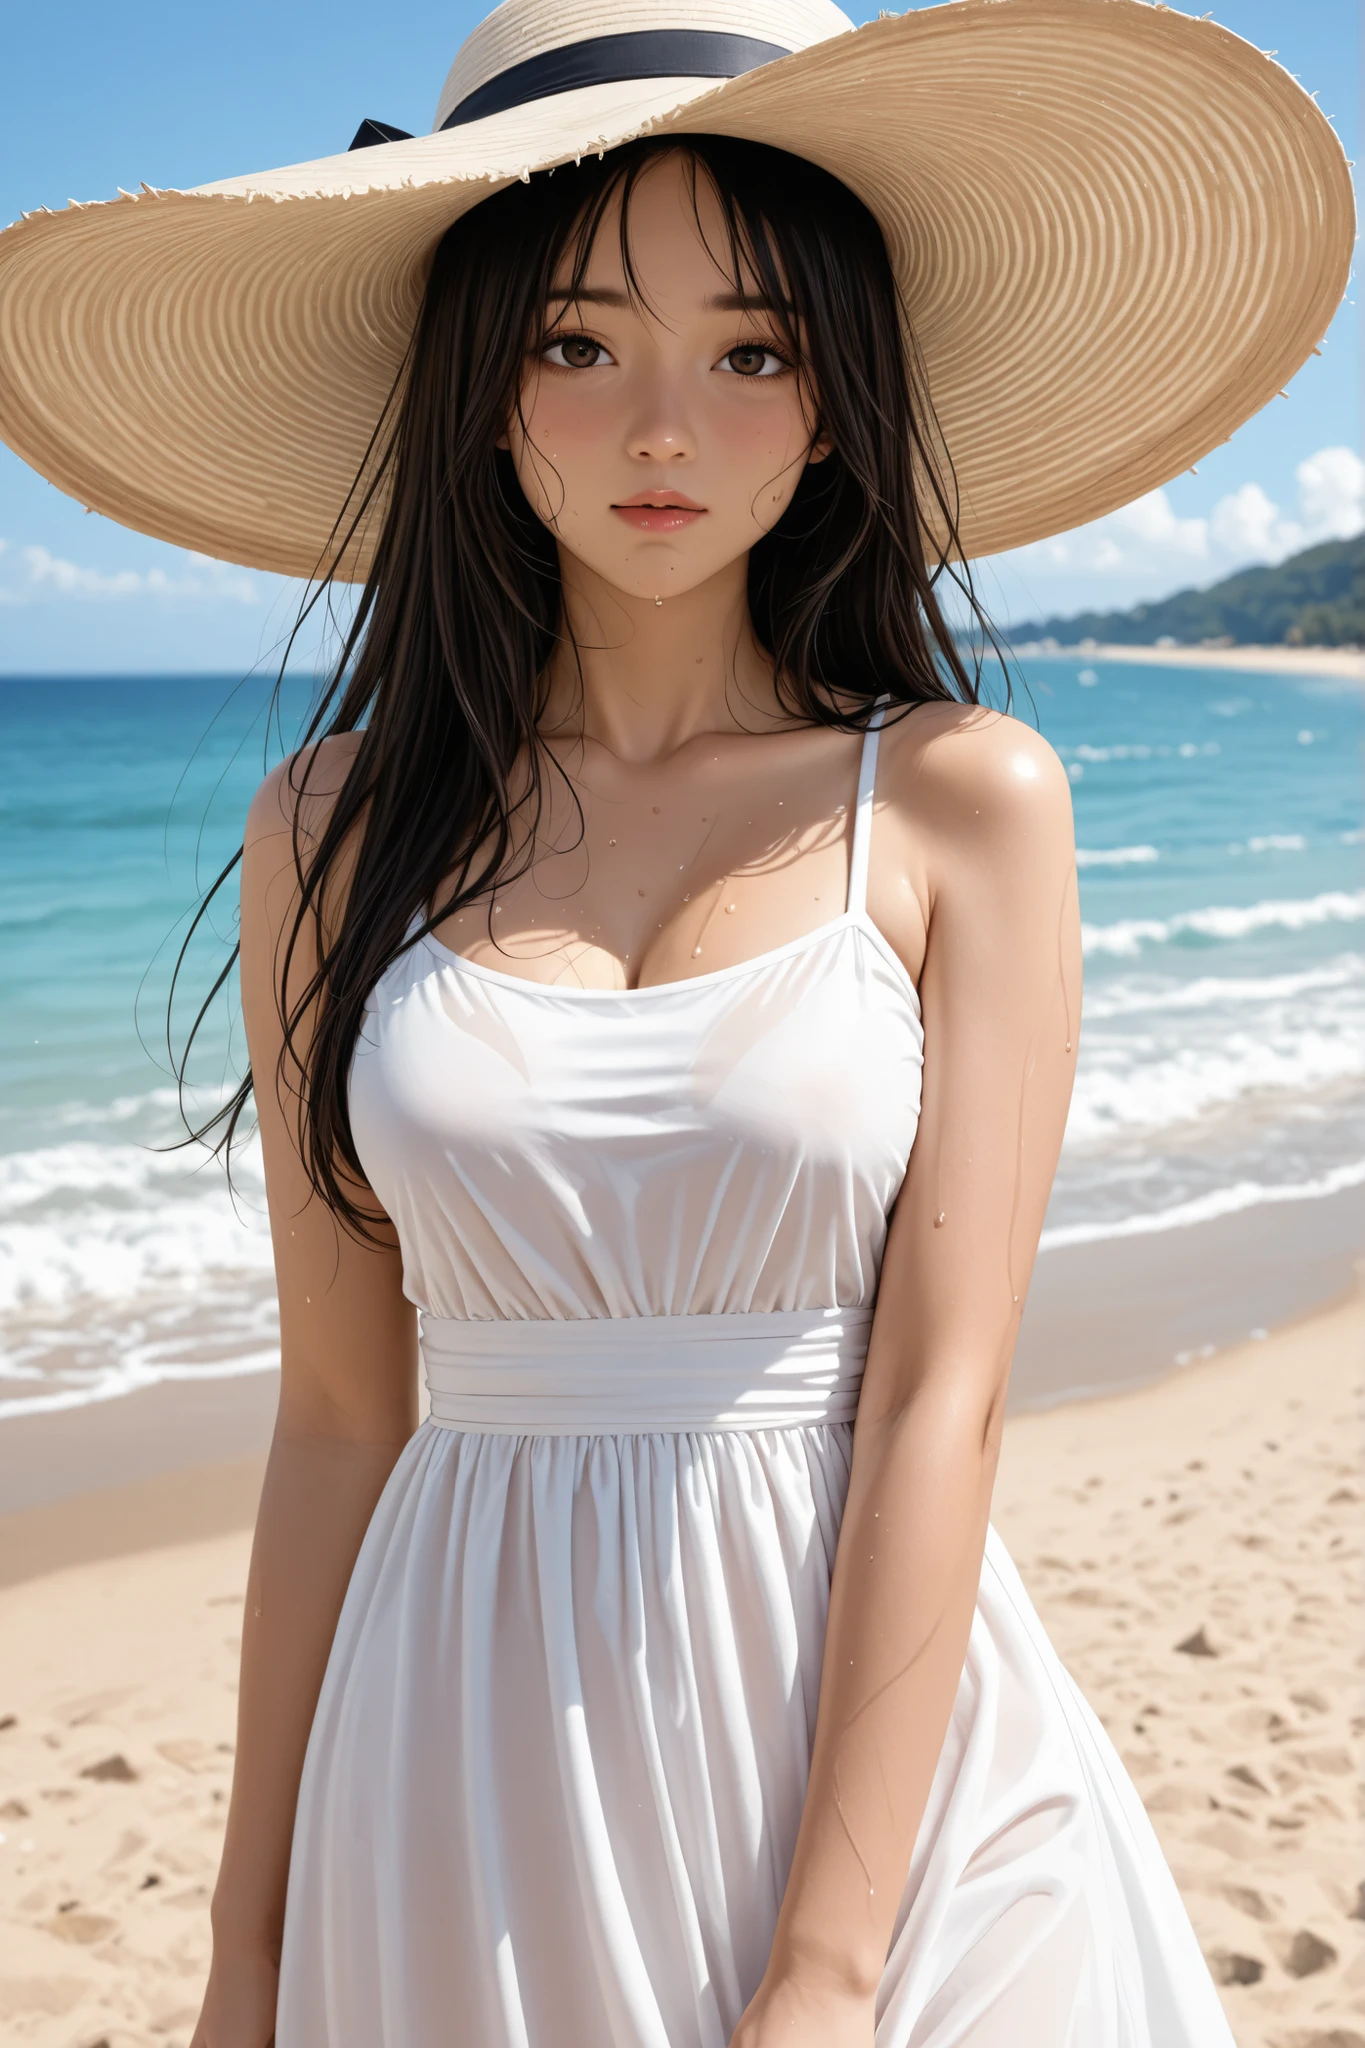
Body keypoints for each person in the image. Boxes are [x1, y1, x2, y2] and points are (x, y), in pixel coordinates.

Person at [0, 3, 1350, 2042]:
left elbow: (936, 1406)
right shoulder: (334, 830)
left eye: (749, 350)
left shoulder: (963, 801)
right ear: (478, 386)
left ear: (833, 405)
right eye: (575, 342)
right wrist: (244, 1945)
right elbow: (339, 1416)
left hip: (882, 1776)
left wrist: (821, 1965)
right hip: (453, 1759)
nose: (659, 430)